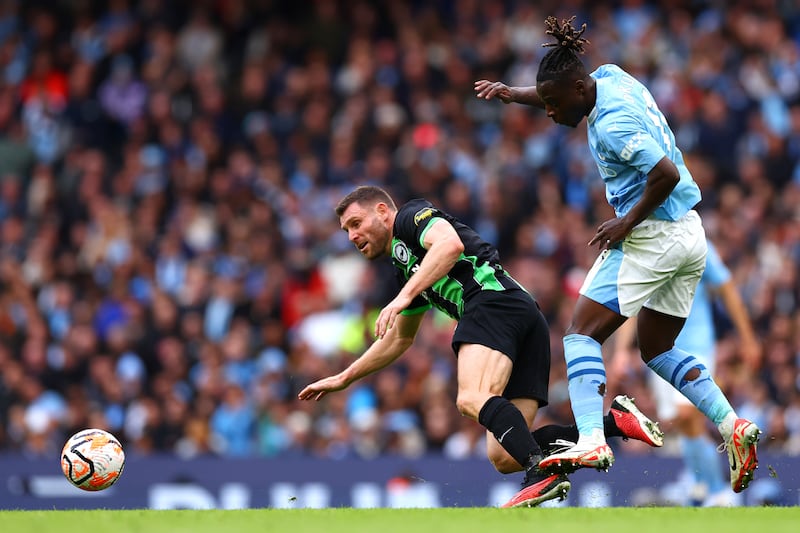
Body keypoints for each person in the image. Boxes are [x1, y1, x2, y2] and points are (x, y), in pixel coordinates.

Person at [474, 15, 761, 494]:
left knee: (579, 333)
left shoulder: (611, 124)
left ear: (578, 90)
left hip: (653, 233)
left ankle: (590, 438)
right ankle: (731, 425)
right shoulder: (607, 76)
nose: (548, 114)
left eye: (551, 105)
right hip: (691, 234)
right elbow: (556, 89)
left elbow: (665, 173)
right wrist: (511, 92)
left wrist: (624, 223)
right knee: (658, 348)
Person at [298, 185, 664, 508]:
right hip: (523, 316)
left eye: (356, 223)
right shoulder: (404, 265)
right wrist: (344, 377)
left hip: (492, 303)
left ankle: (542, 476)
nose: (351, 236)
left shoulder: (411, 216)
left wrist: (401, 297)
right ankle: (614, 423)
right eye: (347, 230)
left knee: (470, 397)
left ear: (382, 211)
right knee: (504, 455)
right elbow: (399, 338)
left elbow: (450, 245)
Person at [612, 240, 762, 505]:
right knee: (682, 424)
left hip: (697, 347)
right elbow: (633, 304)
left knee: (686, 414)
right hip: (658, 351)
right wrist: (621, 350)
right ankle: (699, 484)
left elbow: (726, 288)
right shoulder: (647, 247)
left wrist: (747, 337)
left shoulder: (696, 243)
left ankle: (717, 491)